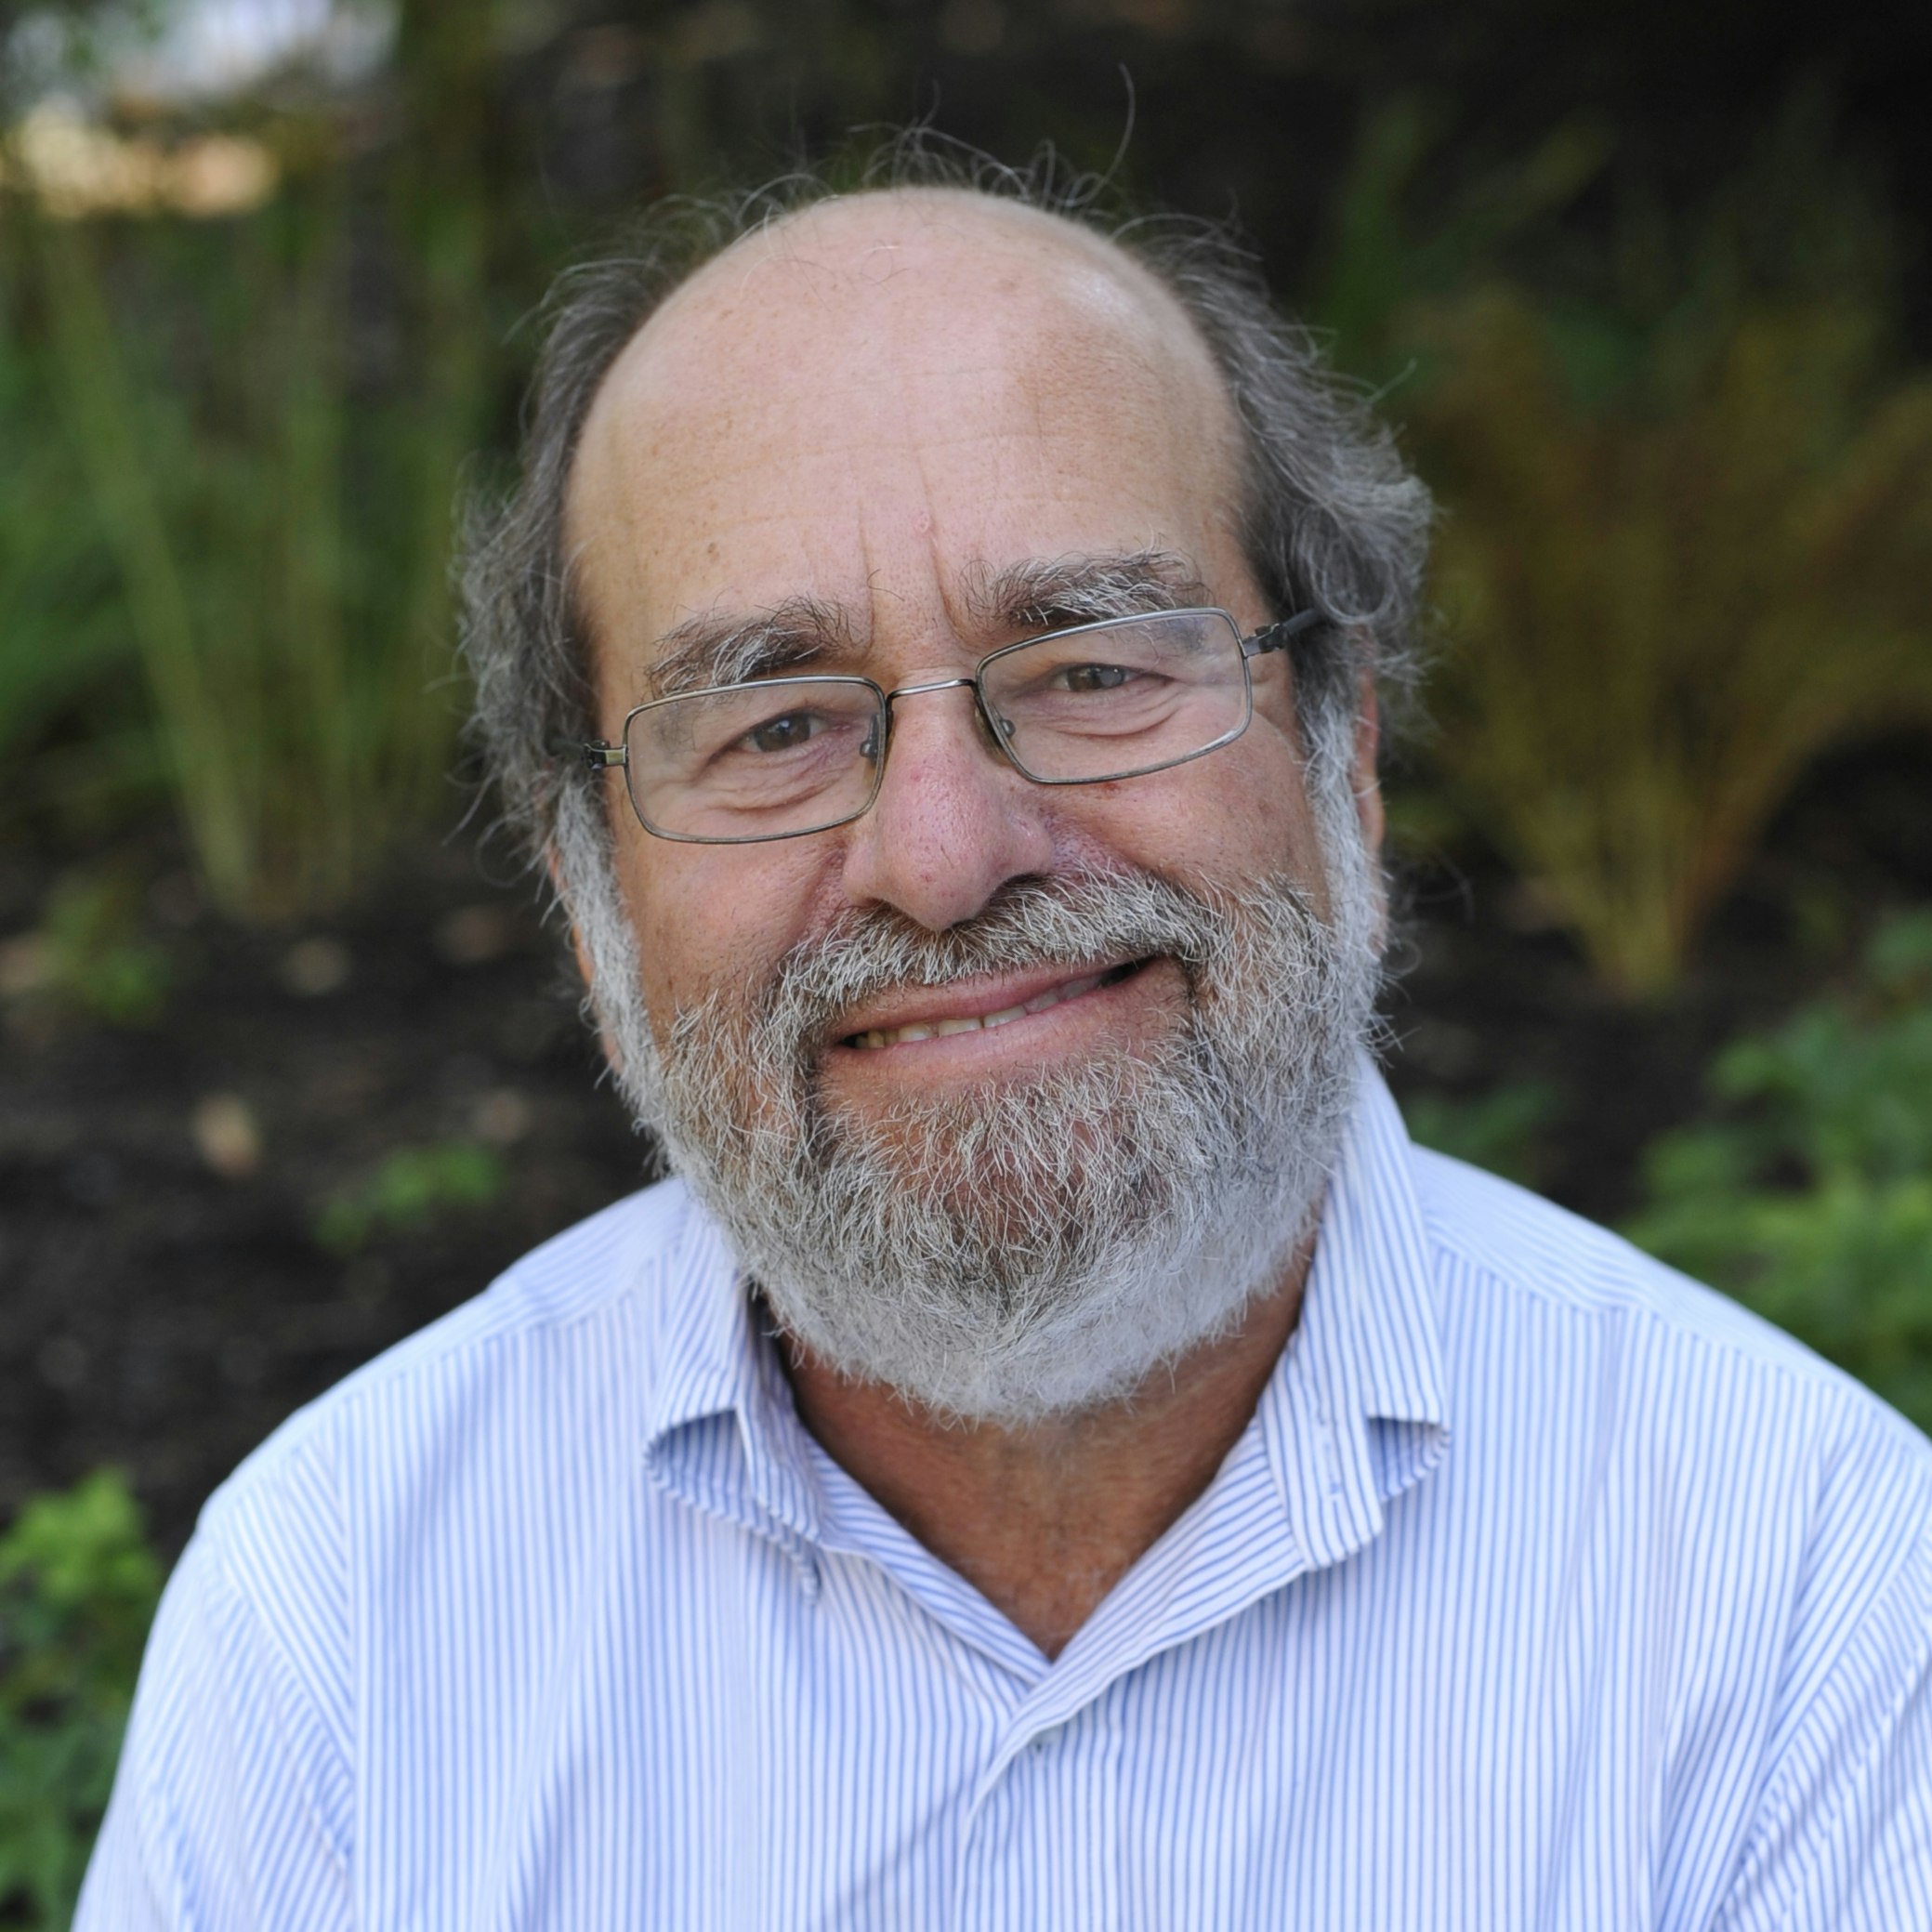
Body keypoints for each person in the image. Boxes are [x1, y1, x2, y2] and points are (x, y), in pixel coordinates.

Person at [82, 150, 1932, 1929]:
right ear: (586, 892)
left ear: (1336, 746)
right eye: (775, 726)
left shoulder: (1796, 1591)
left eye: (1095, 668)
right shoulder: (341, 1615)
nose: (947, 858)